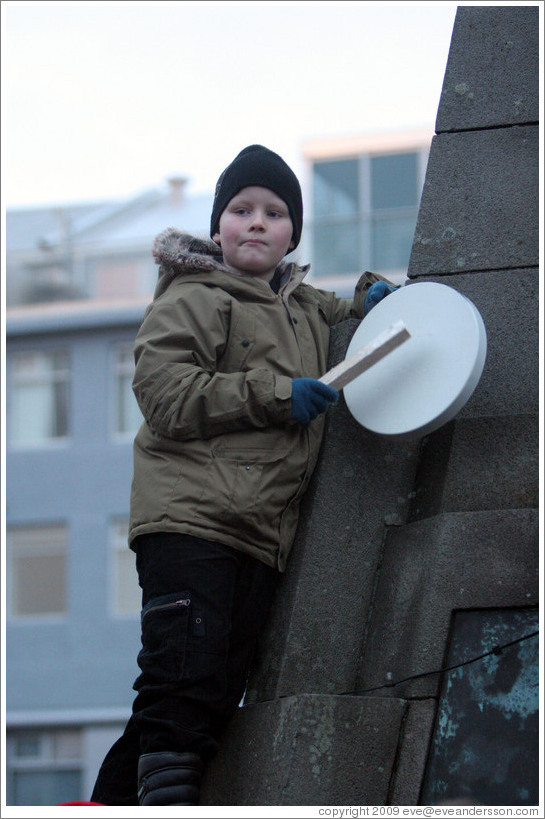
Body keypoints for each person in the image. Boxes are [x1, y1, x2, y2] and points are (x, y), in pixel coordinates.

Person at [91, 145, 397, 806]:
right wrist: (275, 393)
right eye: (240, 209)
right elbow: (165, 394)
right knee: (181, 685)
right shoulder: (193, 295)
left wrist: (370, 296)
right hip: (189, 522)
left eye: (274, 211)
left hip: (259, 536)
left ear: (293, 233)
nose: (256, 222)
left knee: (203, 698)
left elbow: (342, 311)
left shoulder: (301, 303)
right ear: (217, 225)